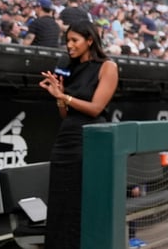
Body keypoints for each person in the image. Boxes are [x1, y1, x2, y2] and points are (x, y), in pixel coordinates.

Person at [38, 18, 119, 248]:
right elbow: (66, 114)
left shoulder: (107, 67)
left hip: (90, 142)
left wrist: (65, 97)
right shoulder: (69, 67)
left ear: (89, 40)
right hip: (65, 140)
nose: (69, 45)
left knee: (80, 202)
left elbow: (95, 108)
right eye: (67, 41)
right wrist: (59, 98)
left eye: (74, 40)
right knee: (60, 202)